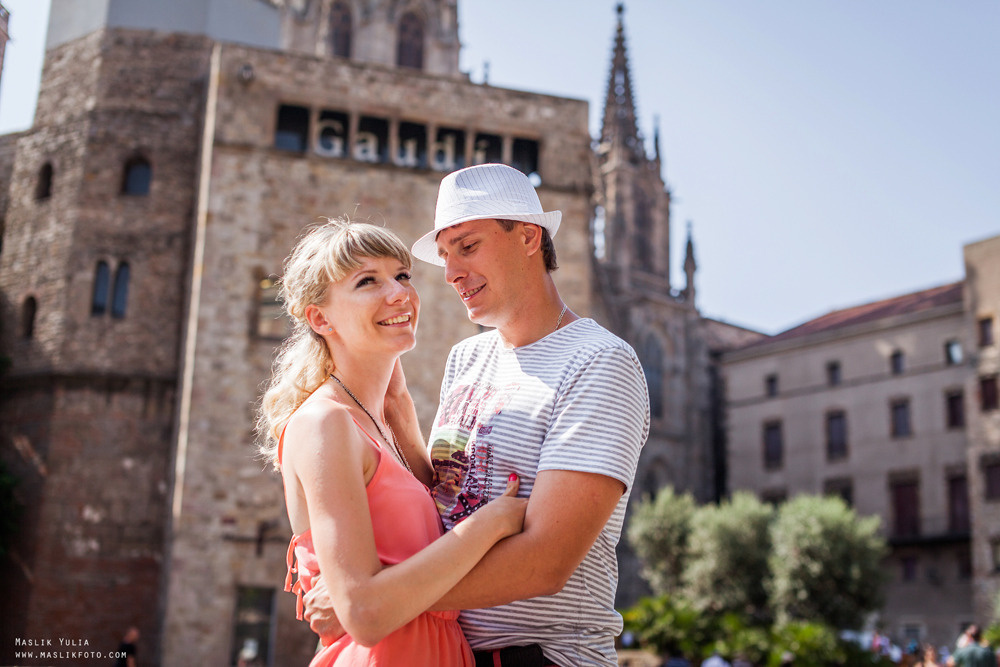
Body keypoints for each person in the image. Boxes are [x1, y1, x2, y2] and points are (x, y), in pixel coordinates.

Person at [305, 163, 650, 666]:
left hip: (546, 658)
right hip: (448, 652)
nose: (450, 273)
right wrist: (400, 422)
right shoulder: (466, 358)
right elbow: (448, 503)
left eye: (467, 247)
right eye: (444, 255)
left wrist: (375, 600)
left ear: (529, 238)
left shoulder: (599, 361)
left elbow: (545, 562)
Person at [257, 219, 528, 666]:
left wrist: (400, 410)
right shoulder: (324, 423)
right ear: (320, 318)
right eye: (367, 281)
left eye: (402, 275)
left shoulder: (377, 421)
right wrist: (490, 525)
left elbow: (428, 529)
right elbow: (362, 612)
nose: (400, 292)